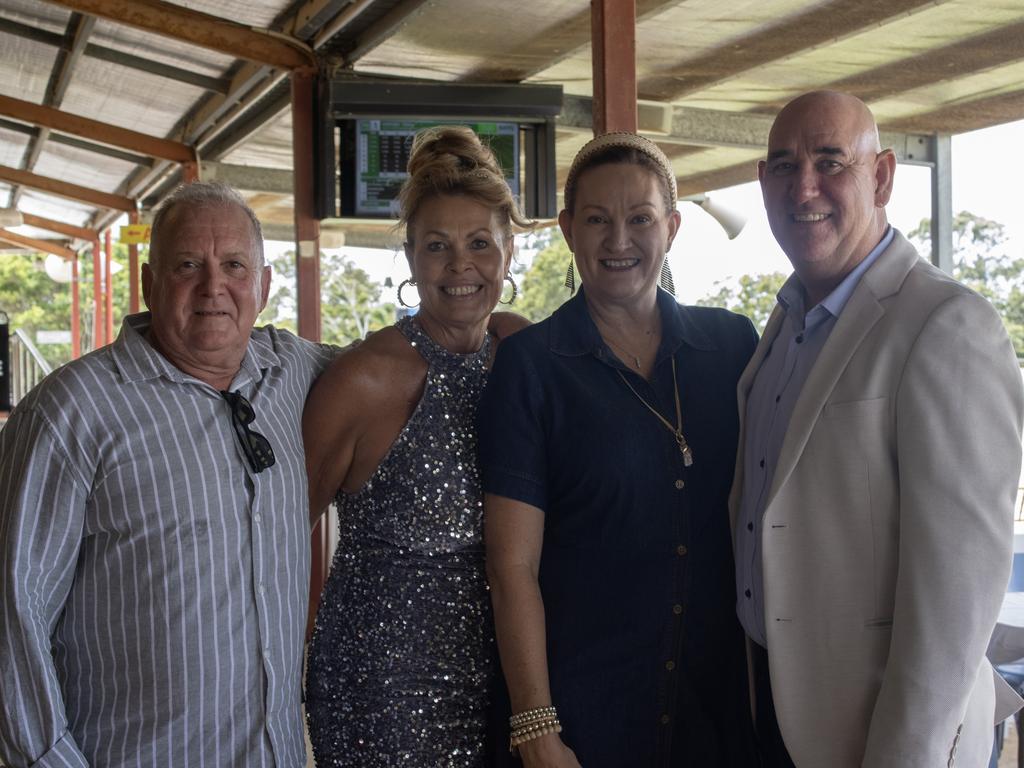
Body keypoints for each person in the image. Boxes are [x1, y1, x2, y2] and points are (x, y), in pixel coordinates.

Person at [732, 89, 1024, 767]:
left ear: (882, 176)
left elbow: (957, 599)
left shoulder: (946, 325)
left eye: (830, 161)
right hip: (774, 712)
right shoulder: (785, 324)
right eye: (782, 165)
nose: (803, 186)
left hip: (876, 737)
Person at [0, 182, 334, 767]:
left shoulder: (295, 373)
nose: (214, 287)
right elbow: (11, 613)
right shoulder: (71, 411)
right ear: (150, 284)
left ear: (264, 284)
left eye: (234, 265)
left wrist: (503, 334)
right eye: (188, 265)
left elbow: (403, 365)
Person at [479, 132, 760, 767]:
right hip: (583, 717)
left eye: (640, 219)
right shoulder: (532, 366)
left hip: (714, 718)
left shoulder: (733, 346)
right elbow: (511, 567)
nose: (619, 241)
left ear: (673, 226)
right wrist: (538, 730)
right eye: (597, 220)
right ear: (568, 229)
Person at [302, 125, 530, 767]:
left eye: (480, 244)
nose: (460, 266)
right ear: (409, 257)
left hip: (507, 671)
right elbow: (280, 532)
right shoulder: (364, 377)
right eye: (437, 246)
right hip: (384, 685)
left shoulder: (522, 352)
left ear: (509, 252)